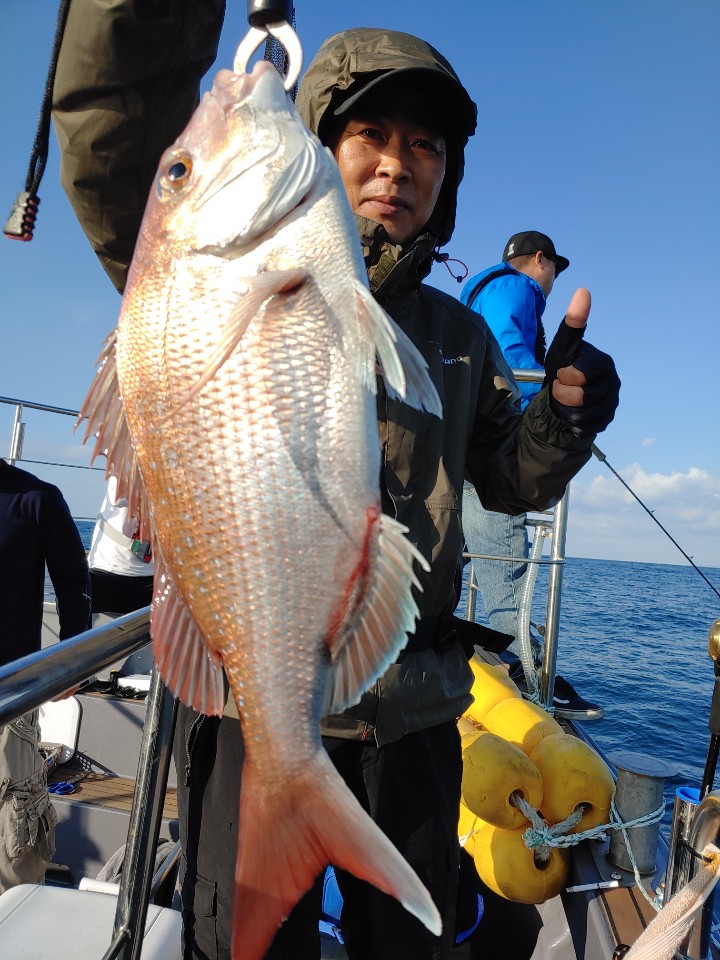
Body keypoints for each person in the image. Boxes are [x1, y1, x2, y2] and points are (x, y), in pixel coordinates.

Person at [52, 16, 620, 960]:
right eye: (370, 135)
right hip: (248, 706)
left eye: (425, 145)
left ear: (448, 175)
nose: (398, 164)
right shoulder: (195, 272)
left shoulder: (461, 336)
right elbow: (106, 128)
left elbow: (510, 481)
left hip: (414, 717)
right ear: (320, 143)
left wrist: (565, 417)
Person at [460, 232, 604, 720]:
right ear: (539, 260)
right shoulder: (516, 287)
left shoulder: (476, 291)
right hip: (494, 449)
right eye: (553, 269)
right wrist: (547, 404)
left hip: (460, 446)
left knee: (459, 563)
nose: (551, 281)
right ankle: (526, 675)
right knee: (504, 571)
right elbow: (507, 351)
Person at [0, 458, 91, 893]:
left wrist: (72, 664)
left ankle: (15, 915)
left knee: (14, 829)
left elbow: (74, 582)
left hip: (12, 697)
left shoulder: (38, 499)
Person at [88, 476, 154, 615]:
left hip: (152, 579)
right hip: (106, 572)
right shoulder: (126, 467)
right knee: (73, 589)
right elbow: (118, 497)